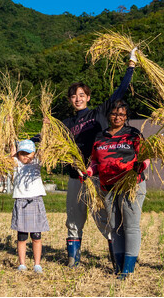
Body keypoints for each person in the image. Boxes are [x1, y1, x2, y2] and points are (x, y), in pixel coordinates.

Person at [62, 49, 136, 267]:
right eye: (74, 95)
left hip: (96, 177)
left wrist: (130, 66)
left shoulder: (98, 114)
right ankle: (73, 262)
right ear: (70, 99)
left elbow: (120, 92)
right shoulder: (65, 123)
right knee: (73, 221)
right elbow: (47, 141)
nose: (78, 98)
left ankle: (117, 260)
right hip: (76, 177)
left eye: (81, 95)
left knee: (106, 220)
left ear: (88, 97)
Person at [87, 100, 148, 279]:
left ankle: (128, 269)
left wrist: (141, 166)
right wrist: (88, 172)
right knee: (115, 227)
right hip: (108, 186)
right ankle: (119, 266)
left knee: (130, 226)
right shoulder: (100, 136)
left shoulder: (133, 134)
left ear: (126, 117)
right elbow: (95, 162)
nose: (117, 117)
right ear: (109, 115)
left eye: (121, 114)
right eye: (114, 114)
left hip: (131, 185)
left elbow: (145, 156)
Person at [10, 139, 49, 274]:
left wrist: (46, 127)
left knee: (36, 236)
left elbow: (44, 148)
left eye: (29, 153)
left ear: (34, 153)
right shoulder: (16, 164)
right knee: (21, 236)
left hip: (35, 201)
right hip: (21, 202)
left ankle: (37, 264)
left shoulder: (36, 163)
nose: (26, 156)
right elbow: (11, 148)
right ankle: (22, 264)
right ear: (17, 154)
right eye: (22, 153)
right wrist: (9, 124)